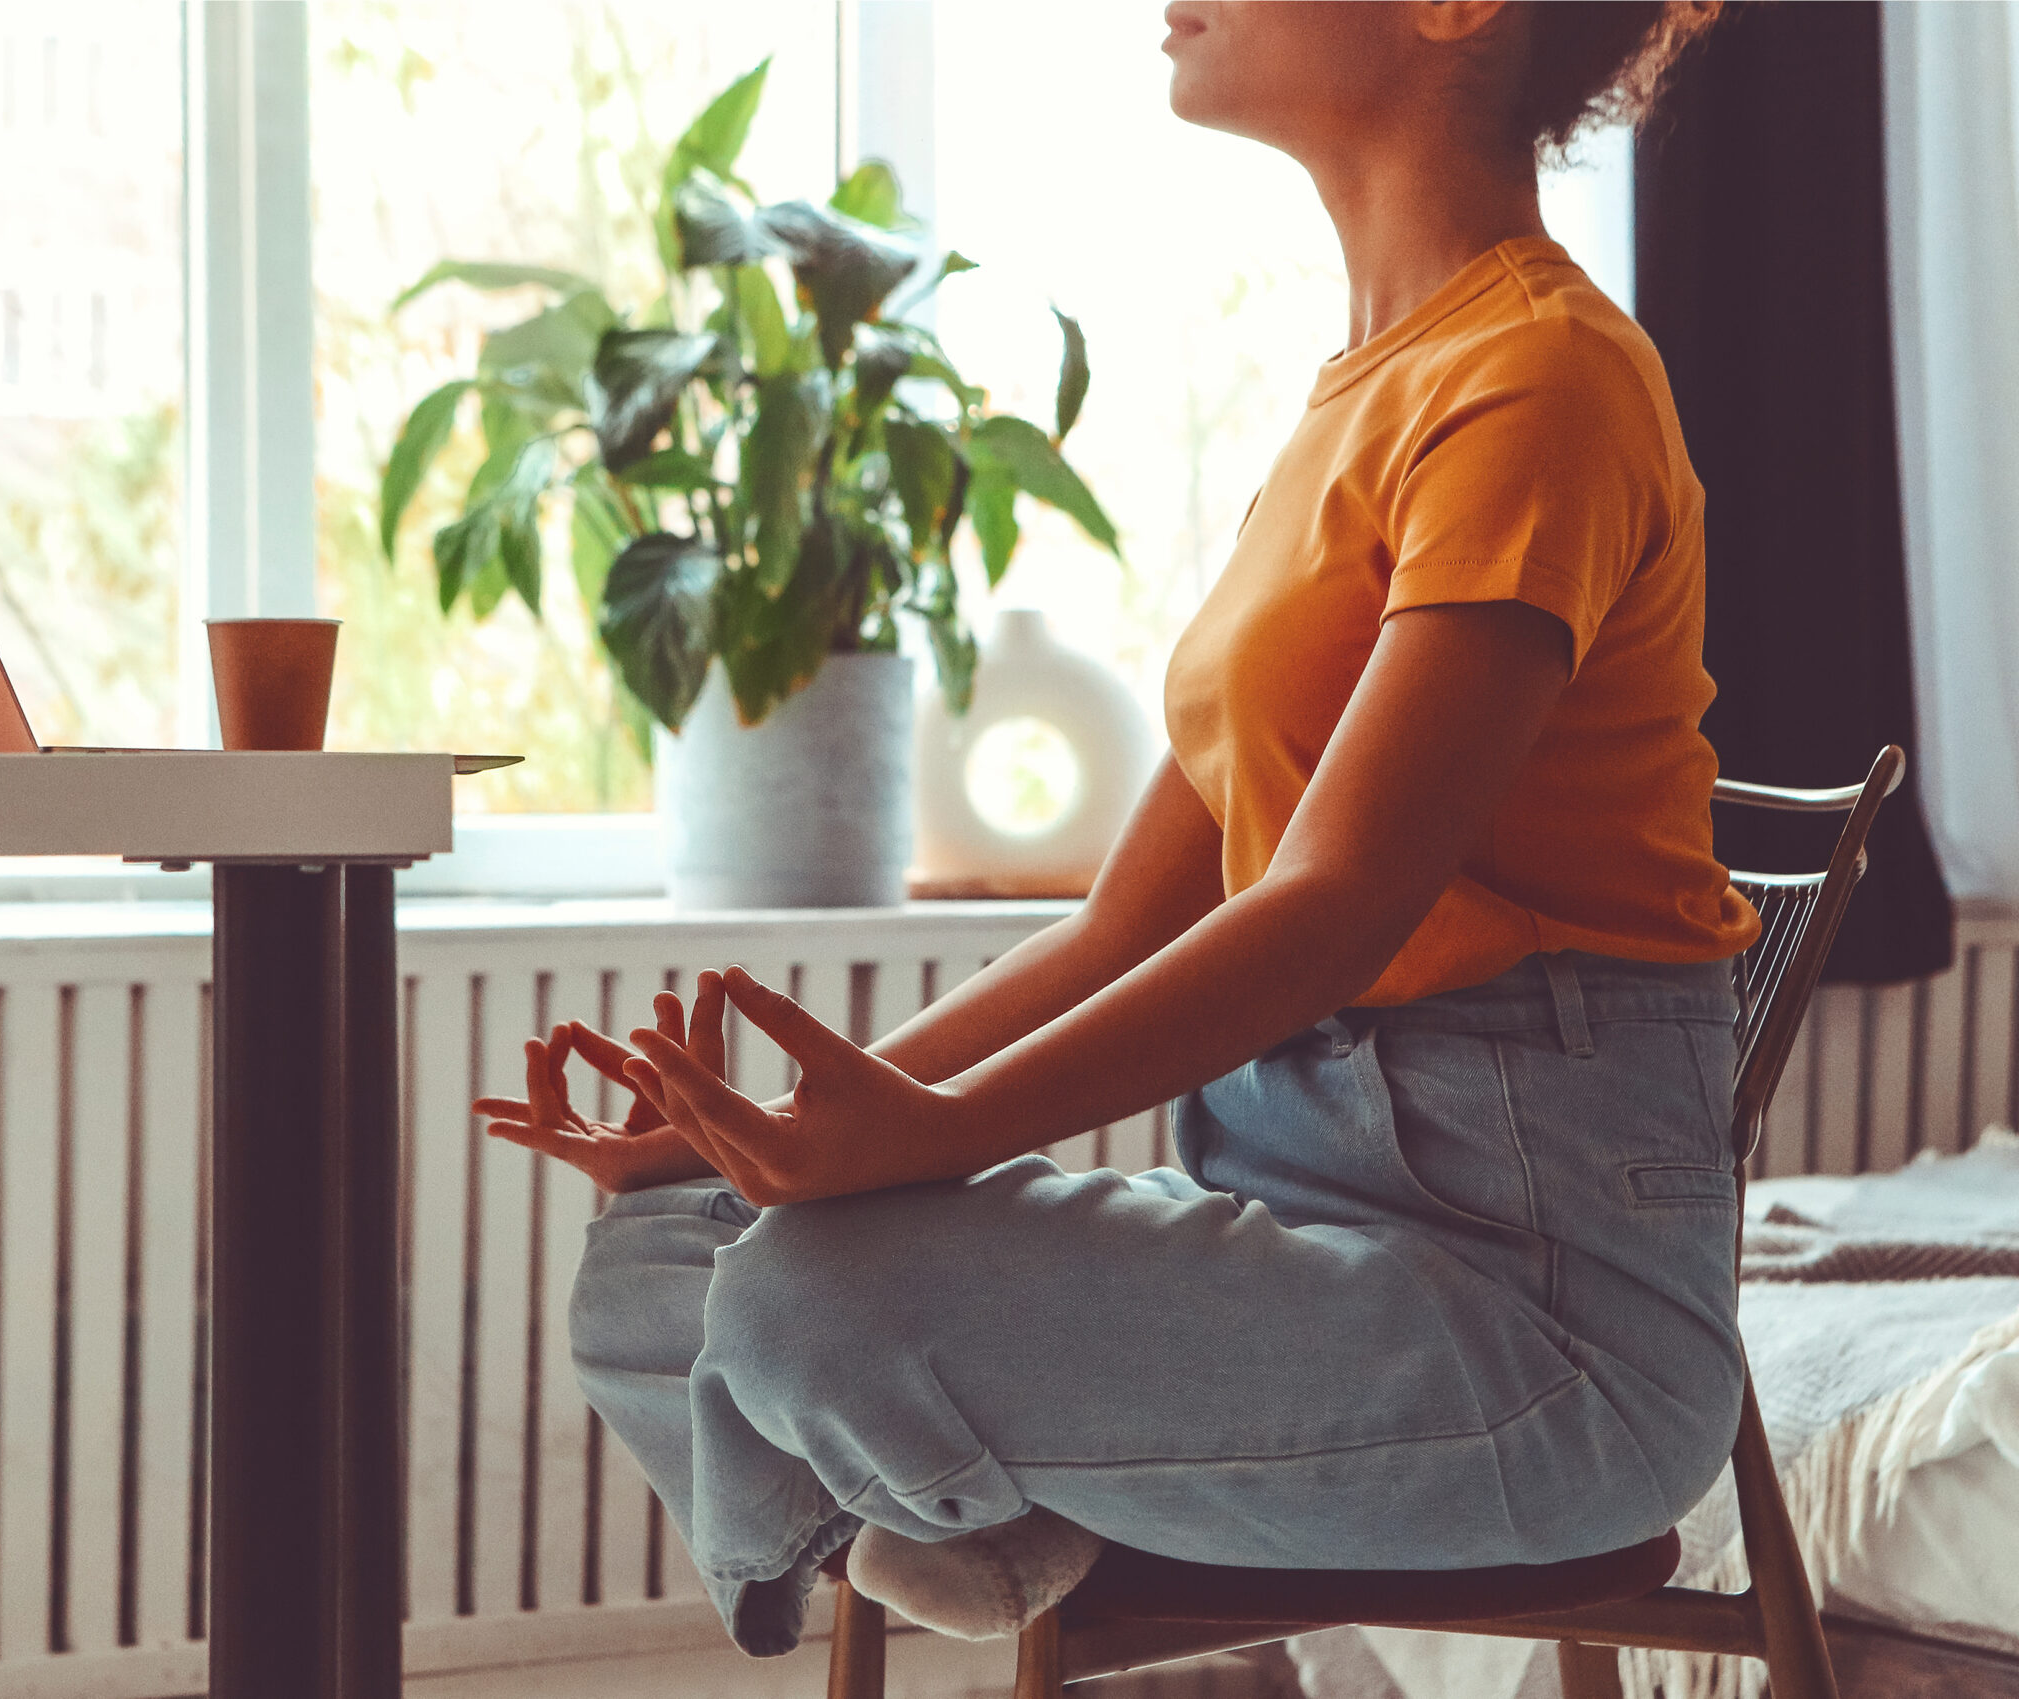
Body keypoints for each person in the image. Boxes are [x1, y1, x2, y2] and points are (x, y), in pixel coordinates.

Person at [478, 0, 1742, 1658]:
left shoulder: (1544, 381)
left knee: (800, 1303)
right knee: (667, 1251)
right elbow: (1115, 928)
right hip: (1303, 1242)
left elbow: (1336, 906)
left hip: (1540, 1340)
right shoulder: (1369, 390)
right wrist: (783, 1131)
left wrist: (911, 1148)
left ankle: (963, 1500)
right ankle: (988, 1520)